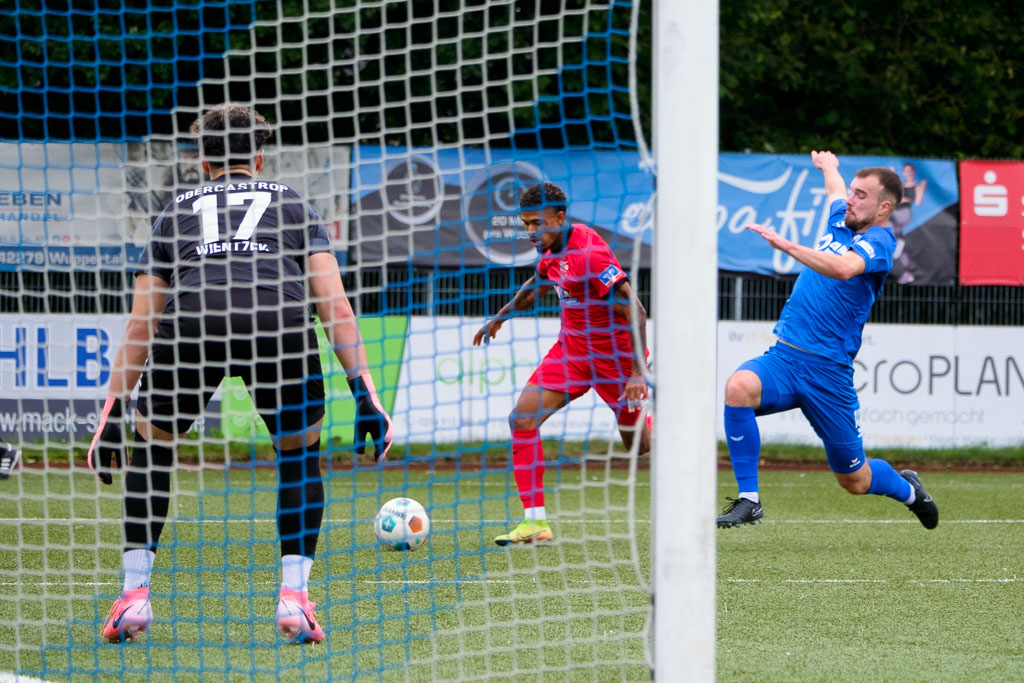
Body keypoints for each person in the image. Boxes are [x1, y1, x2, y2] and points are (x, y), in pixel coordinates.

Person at [87, 104, 393, 644]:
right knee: (299, 454)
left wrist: (114, 409)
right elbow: (334, 305)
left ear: (203, 163)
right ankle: (295, 600)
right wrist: (363, 391)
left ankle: (134, 598)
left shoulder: (174, 210)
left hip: (193, 323)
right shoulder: (293, 203)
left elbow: (142, 321)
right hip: (277, 322)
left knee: (153, 449)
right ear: (258, 157)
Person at [717, 151, 938, 530]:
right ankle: (749, 500)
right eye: (853, 192)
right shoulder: (843, 217)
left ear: (885, 207)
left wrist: (787, 247)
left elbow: (842, 268)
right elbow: (836, 191)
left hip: (828, 374)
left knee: (855, 480)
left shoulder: (881, 240)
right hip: (785, 358)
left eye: (861, 196)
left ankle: (909, 491)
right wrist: (830, 168)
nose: (850, 199)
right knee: (739, 387)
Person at [472, 182, 651, 546]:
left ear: (560, 217)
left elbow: (637, 310)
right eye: (526, 225)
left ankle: (658, 424)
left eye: (538, 223)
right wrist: (500, 317)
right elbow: (537, 282)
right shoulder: (552, 250)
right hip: (572, 352)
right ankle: (535, 523)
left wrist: (636, 373)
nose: (532, 232)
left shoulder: (590, 255)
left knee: (639, 446)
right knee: (522, 418)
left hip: (616, 361)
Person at [890, 162, 929, 284]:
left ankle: (897, 240)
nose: (908, 173)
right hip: (896, 211)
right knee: (900, 248)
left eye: (910, 171)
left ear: (913, 172)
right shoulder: (900, 186)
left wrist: (922, 188)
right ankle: (908, 272)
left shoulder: (916, 187)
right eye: (906, 171)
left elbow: (917, 201)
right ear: (903, 173)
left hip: (904, 213)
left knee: (887, 220)